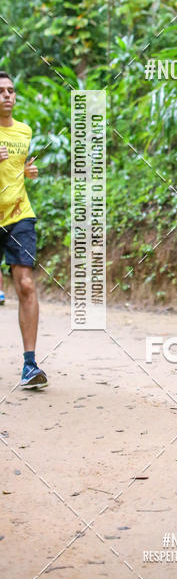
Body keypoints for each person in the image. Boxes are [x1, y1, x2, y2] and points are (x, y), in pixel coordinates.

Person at [0, 71, 46, 388]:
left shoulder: (24, 131)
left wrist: (27, 171)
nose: (7, 95)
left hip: (19, 214)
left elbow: (18, 169)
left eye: (11, 90)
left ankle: (30, 365)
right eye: (1, 91)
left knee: (26, 284)